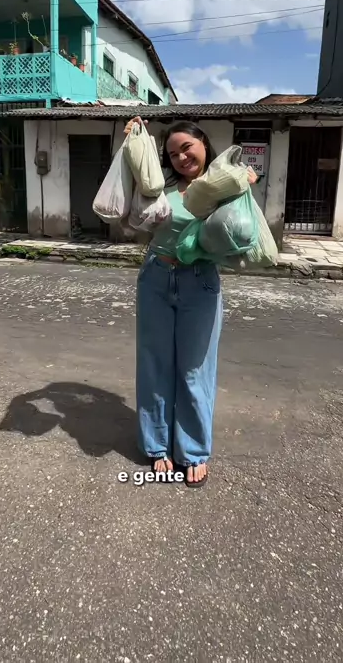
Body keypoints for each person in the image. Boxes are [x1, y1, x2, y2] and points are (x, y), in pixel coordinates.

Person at [124, 117, 257, 488]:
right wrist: (135, 139)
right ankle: (157, 446)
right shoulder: (161, 187)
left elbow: (241, 230)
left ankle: (194, 451)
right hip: (155, 277)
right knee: (154, 365)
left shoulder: (225, 185)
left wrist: (246, 184)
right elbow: (135, 205)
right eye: (172, 153)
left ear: (203, 144)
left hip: (200, 282)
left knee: (195, 369)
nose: (181, 157)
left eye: (187, 148)